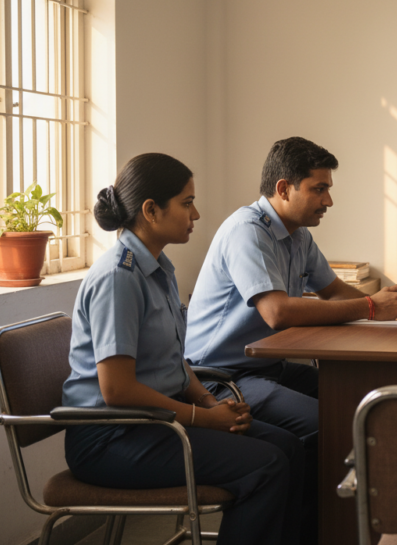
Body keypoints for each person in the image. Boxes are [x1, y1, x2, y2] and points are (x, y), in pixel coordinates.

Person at [62, 153, 304, 545]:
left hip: (157, 423)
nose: (196, 214)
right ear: (151, 210)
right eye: (187, 203)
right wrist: (202, 418)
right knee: (267, 465)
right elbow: (117, 391)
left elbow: (175, 360)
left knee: (287, 446)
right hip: (112, 438)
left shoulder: (159, 269)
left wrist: (209, 402)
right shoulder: (118, 278)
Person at [185, 137, 397, 531]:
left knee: (360, 401)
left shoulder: (298, 235)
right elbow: (277, 313)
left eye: (328, 190)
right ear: (283, 189)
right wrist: (371, 307)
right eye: (319, 189)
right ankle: (317, 531)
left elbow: (335, 292)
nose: (328, 201)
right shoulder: (247, 231)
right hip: (220, 378)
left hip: (267, 368)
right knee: (331, 423)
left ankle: (330, 527)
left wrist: (385, 307)